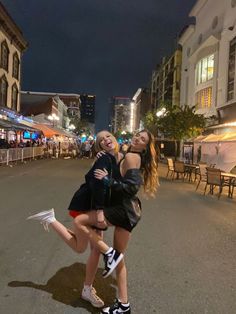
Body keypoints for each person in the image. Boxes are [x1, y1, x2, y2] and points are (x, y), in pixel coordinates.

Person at [27, 130, 158, 313]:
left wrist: (106, 182)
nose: (137, 138)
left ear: (145, 146)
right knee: (108, 254)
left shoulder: (129, 157)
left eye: (142, 139)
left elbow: (129, 188)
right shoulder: (117, 155)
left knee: (102, 250)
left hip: (123, 211)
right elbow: (99, 177)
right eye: (137, 135)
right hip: (121, 210)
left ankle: (103, 287)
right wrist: (102, 158)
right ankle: (121, 303)